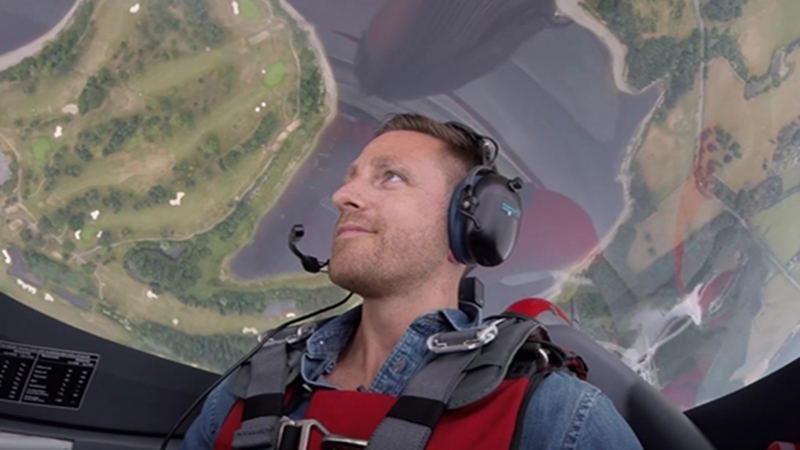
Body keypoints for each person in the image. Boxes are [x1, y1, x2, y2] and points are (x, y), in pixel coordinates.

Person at [181, 113, 643, 449]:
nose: (344, 196)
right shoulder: (251, 386)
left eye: (391, 178)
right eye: (352, 178)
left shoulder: (554, 417)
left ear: (471, 223)